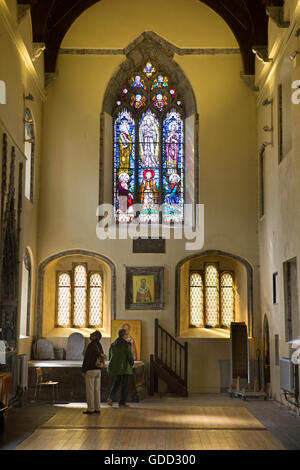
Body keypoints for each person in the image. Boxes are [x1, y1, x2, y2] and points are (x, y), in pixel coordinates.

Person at [107, 329, 134, 408]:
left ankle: (110, 397)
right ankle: (122, 403)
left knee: (116, 383)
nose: (127, 336)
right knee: (125, 386)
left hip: (115, 367)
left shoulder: (113, 344)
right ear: (124, 335)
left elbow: (110, 355)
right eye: (126, 334)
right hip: (125, 368)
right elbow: (130, 356)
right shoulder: (127, 345)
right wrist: (131, 363)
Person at [82, 330, 106, 415]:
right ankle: (97, 408)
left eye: (92, 334)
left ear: (95, 337)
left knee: (90, 390)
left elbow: (87, 359)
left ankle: (91, 409)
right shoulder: (99, 345)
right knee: (97, 390)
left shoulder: (91, 345)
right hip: (98, 370)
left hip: (90, 370)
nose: (90, 335)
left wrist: (84, 370)